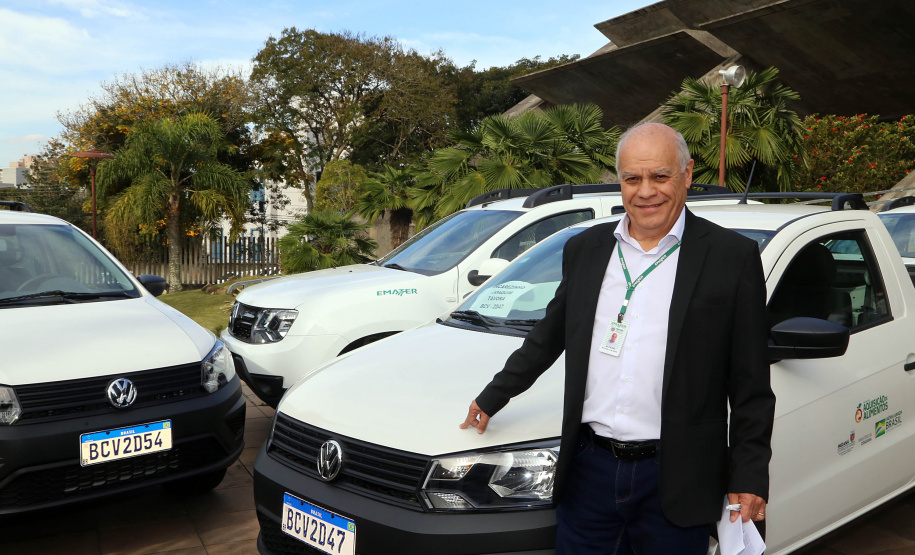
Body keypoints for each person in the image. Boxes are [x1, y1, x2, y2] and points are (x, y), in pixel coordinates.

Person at [460, 123, 775, 554]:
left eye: (660, 176)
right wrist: (493, 396)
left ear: (687, 175)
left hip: (678, 476)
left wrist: (750, 475)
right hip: (589, 471)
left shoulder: (730, 258)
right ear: (620, 181)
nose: (646, 191)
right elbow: (549, 335)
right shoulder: (586, 250)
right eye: (632, 178)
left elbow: (751, 383)